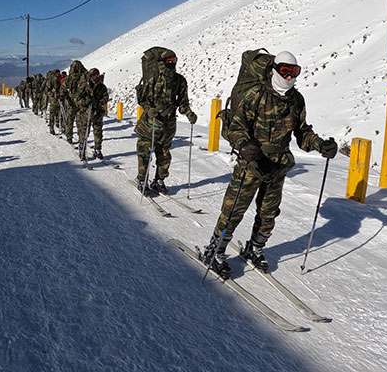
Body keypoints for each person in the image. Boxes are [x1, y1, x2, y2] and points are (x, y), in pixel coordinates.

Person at [201, 50, 338, 279]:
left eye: (294, 72)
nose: (289, 77)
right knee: (233, 209)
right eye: (285, 71)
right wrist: (243, 144)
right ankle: (215, 250)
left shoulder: (296, 100)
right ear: (274, 70)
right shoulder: (255, 95)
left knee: (268, 213)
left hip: (277, 166)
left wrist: (321, 145)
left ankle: (255, 247)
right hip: (251, 163)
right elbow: (236, 127)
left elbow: (302, 133)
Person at [134, 48, 198, 194]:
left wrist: (189, 113)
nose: (172, 64)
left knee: (164, 153)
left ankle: (159, 180)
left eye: (174, 61)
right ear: (162, 62)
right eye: (169, 61)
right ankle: (142, 179)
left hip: (168, 124)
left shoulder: (180, 80)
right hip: (150, 123)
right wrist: (149, 110)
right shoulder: (153, 79)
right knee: (144, 151)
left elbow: (183, 102)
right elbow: (143, 100)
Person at [89, 68, 110, 159]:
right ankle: (82, 144)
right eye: (94, 76)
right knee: (83, 128)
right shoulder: (86, 85)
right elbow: (79, 96)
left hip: (97, 111)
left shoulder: (102, 87)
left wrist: (98, 102)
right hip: (87, 111)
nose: (96, 77)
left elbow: (105, 98)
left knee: (98, 130)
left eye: (97, 75)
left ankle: (98, 148)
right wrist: (86, 101)